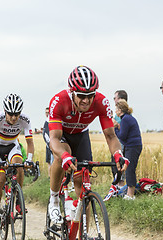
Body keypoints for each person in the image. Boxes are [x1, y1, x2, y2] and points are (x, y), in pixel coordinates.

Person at [47, 65, 129, 223]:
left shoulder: (101, 102)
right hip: (60, 134)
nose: (86, 100)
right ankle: (54, 199)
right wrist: (64, 156)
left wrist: (118, 154)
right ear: (72, 92)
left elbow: (111, 136)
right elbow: (55, 139)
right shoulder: (59, 101)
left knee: (83, 185)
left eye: (90, 95)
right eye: (81, 96)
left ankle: (82, 231)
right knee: (63, 153)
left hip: (81, 135)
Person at [0, 93, 34, 231]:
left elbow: (30, 142)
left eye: (17, 114)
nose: (14, 118)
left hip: (13, 146)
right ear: (5, 111)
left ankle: (18, 200)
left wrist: (30, 160)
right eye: (10, 114)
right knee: (1, 179)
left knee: (19, 166)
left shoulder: (25, 119)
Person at [114, 99, 142, 200]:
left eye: (116, 109)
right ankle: (129, 193)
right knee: (129, 169)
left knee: (130, 169)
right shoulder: (128, 118)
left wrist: (116, 128)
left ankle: (130, 195)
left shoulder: (125, 119)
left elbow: (122, 136)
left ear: (120, 110)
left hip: (132, 147)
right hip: (132, 146)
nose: (115, 111)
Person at [43, 107, 54, 177]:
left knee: (53, 162)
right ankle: (50, 177)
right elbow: (45, 134)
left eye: (48, 112)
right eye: (46, 113)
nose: (47, 114)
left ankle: (53, 177)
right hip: (48, 145)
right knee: (49, 162)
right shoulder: (46, 121)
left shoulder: (50, 121)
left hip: (53, 145)